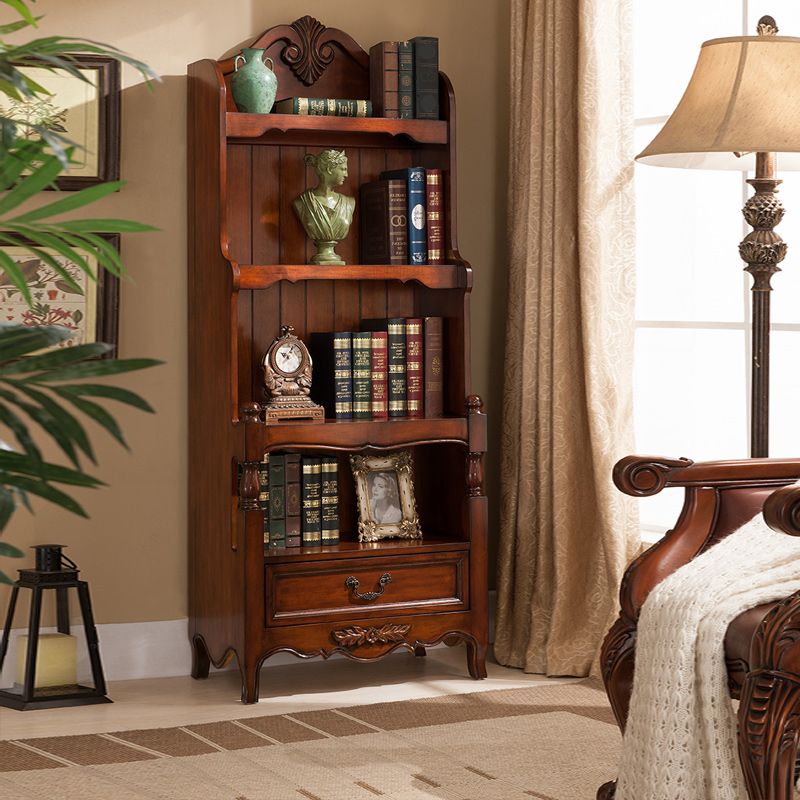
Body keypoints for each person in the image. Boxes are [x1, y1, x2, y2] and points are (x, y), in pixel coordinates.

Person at [292, 149, 355, 264]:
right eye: (343, 169)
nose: (346, 174)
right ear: (329, 169)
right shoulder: (302, 202)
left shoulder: (349, 203)